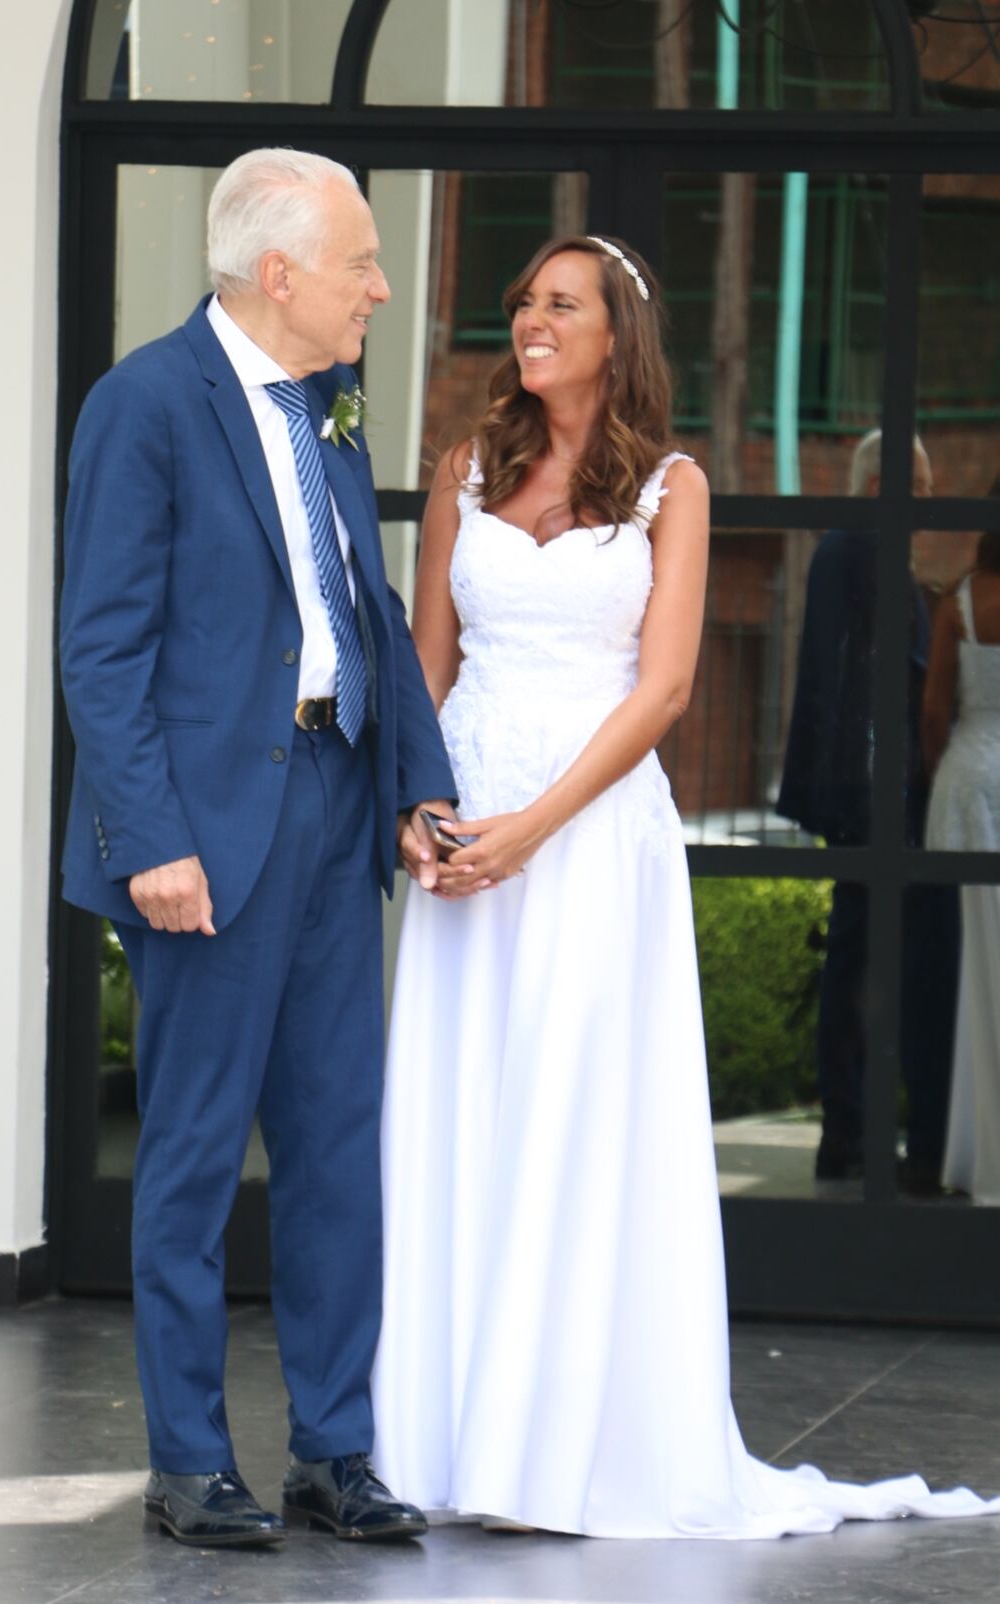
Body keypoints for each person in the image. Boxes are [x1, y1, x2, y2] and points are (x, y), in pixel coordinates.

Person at [370, 237, 1000, 1536]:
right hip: (465, 832)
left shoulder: (673, 486)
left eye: (559, 304)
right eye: (523, 303)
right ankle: (437, 1441)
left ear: (617, 335)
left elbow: (658, 692)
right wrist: (416, 814)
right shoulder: (463, 471)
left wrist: (530, 830)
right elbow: (423, 664)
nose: (529, 321)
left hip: (587, 836)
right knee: (464, 1114)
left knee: (568, 1118)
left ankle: (549, 1450)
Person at [60, 148, 457, 1548]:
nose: (381, 287)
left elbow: (370, 610)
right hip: (207, 845)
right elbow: (101, 650)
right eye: (361, 261)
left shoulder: (330, 412)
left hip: (336, 811)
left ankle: (331, 1454)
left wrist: (417, 784)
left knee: (337, 1152)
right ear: (277, 270)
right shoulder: (146, 404)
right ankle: (186, 1463)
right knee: (188, 1160)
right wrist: (148, 838)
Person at [777, 432, 959, 1191]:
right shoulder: (862, 551)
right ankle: (854, 1129)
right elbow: (877, 677)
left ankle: (852, 1129)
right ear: (877, 481)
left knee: (860, 961)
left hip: (859, 789)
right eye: (913, 482)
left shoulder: (848, 550)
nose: (921, 498)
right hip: (870, 794)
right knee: (867, 966)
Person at [924, 498, 1000, 1206]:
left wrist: (937, 765)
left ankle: (974, 1154)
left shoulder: (960, 601)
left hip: (969, 780)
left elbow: (934, 710)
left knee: (971, 972)